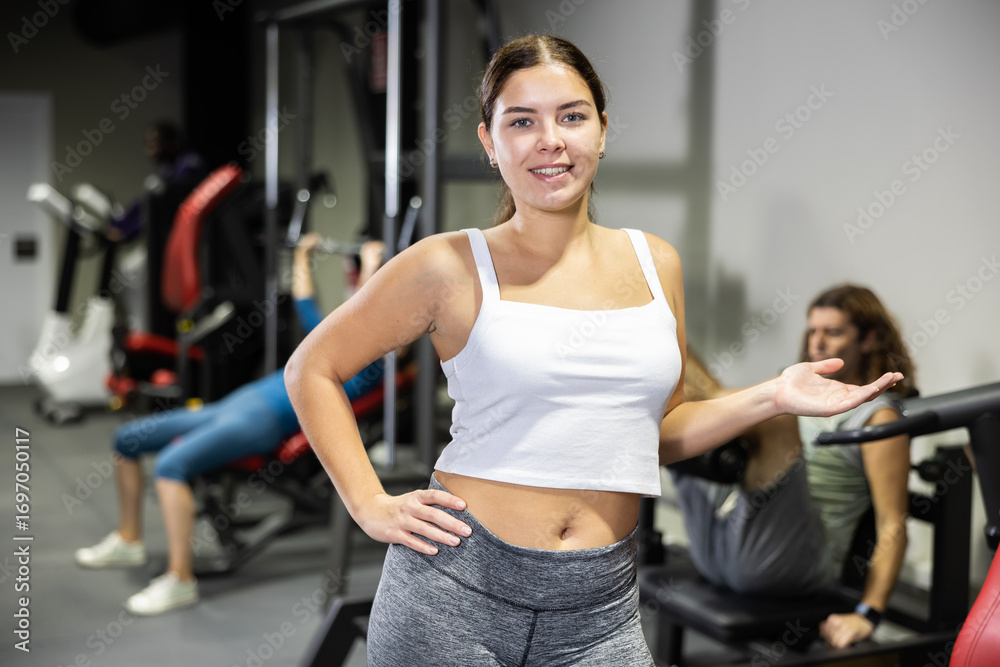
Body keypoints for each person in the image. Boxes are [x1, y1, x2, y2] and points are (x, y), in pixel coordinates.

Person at [284, 35, 903, 665]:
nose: (550, 140)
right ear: (490, 142)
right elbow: (313, 368)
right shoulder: (446, 265)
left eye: (572, 116)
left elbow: (656, 432)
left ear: (602, 130)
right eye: (521, 121)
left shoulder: (655, 262)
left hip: (599, 608)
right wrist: (368, 502)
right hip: (455, 592)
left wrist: (772, 396)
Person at [75, 234, 386, 615]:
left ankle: (180, 580)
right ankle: (129, 539)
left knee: (170, 465)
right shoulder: (329, 341)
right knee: (127, 439)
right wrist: (302, 256)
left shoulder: (370, 367)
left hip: (258, 424)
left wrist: (371, 264)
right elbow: (305, 301)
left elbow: (367, 308)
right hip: (229, 407)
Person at [672, 285, 915, 649]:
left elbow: (892, 522)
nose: (817, 341)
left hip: (790, 565)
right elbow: (716, 398)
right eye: (812, 330)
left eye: (833, 332)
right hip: (716, 550)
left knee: (775, 411)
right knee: (675, 394)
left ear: (868, 340)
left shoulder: (877, 418)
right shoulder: (793, 391)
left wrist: (868, 613)